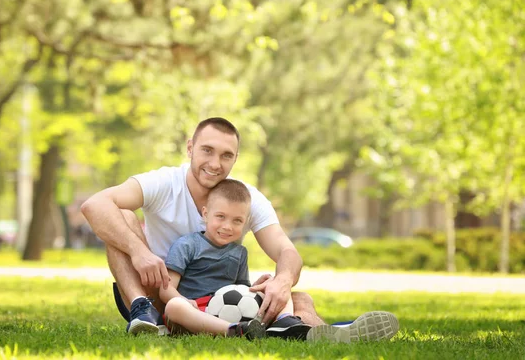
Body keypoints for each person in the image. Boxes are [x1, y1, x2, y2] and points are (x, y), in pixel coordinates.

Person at [81, 117, 399, 342]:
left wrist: (281, 282)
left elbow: (287, 250)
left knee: (298, 298)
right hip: (162, 293)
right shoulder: (164, 182)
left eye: (226, 155)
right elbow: (94, 205)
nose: (215, 163)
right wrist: (140, 254)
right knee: (118, 214)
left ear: (235, 159)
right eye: (207, 150)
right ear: (190, 148)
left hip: (216, 301)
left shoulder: (244, 198)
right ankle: (142, 312)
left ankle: (323, 335)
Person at [159, 179, 312, 339]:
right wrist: (184, 301)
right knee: (174, 306)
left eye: (237, 221)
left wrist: (257, 288)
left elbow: (242, 290)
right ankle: (235, 330)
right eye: (220, 217)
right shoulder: (187, 245)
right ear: (205, 214)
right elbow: (166, 289)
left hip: (230, 311)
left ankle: (285, 322)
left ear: (245, 222)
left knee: (277, 283)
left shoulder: (239, 253)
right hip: (196, 311)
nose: (227, 226)